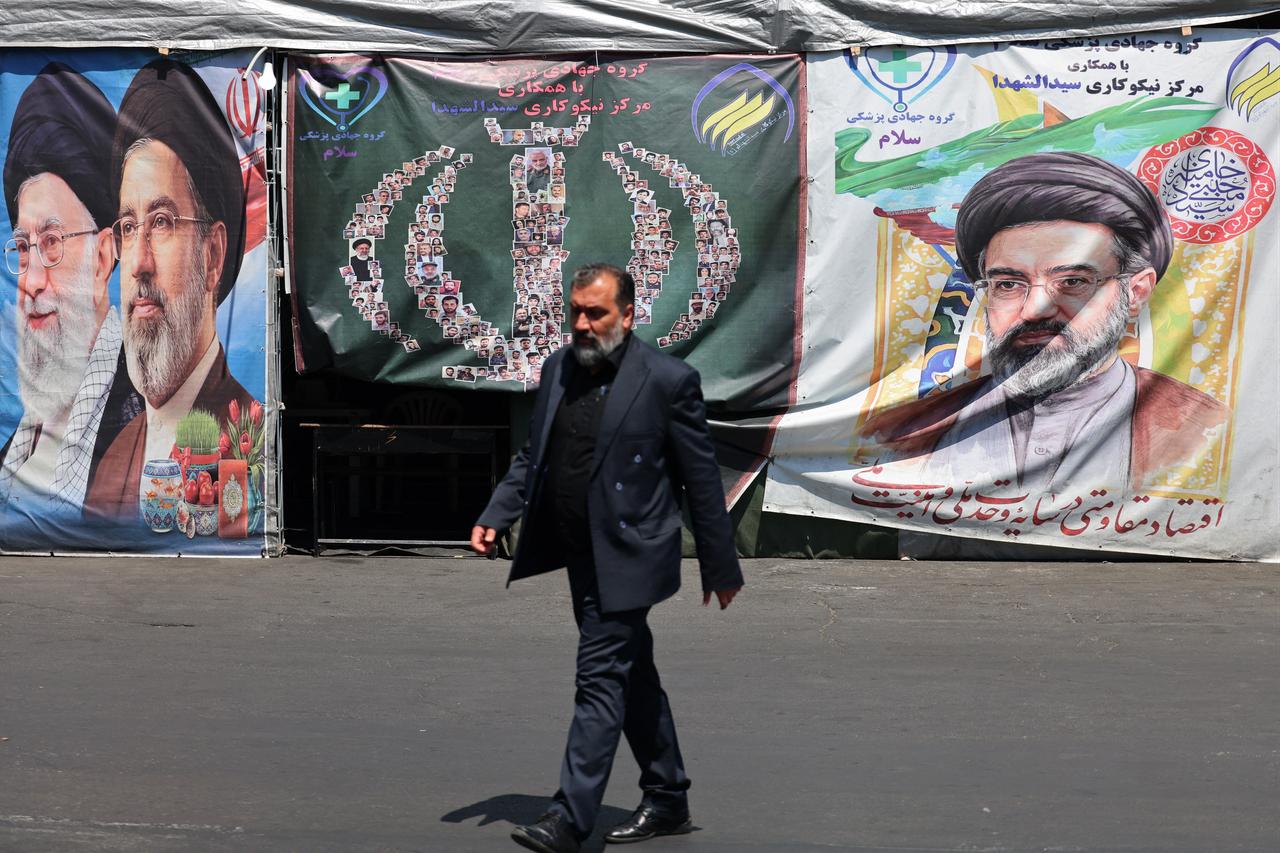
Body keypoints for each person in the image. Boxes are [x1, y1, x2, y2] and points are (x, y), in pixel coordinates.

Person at [471, 263, 743, 853]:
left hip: (632, 554)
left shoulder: (668, 380)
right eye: (575, 311)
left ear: (627, 314)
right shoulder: (559, 369)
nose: (582, 324)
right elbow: (533, 454)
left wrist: (719, 567)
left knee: (598, 680)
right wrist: (498, 513)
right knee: (630, 675)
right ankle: (668, 795)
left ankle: (569, 817)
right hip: (578, 551)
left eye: (595, 312)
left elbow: (701, 481)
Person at [858, 152, 1229, 494]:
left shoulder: (1205, 428)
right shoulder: (907, 434)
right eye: (1008, 284)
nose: (1035, 309)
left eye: (1072, 282)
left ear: (1135, 291)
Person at [84, 59, 257, 519]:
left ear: (212, 254)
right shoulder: (117, 455)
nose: (137, 262)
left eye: (161, 223)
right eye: (127, 226)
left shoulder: (247, 432)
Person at [0, 63, 142, 513]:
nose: (31, 281)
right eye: (23, 248)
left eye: (53, 242)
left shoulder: (140, 422)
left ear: (103, 258)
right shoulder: (14, 451)